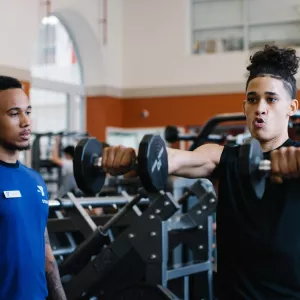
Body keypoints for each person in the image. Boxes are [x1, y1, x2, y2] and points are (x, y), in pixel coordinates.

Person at [101, 45, 300, 299]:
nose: (260, 108)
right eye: (252, 99)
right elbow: (175, 159)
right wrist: (130, 157)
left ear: (291, 107)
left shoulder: (297, 159)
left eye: (271, 99)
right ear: (244, 107)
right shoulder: (222, 159)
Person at [0, 76, 67, 300]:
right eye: (14, 113)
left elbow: (45, 250)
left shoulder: (35, 180)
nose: (25, 122)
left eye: (28, 112)